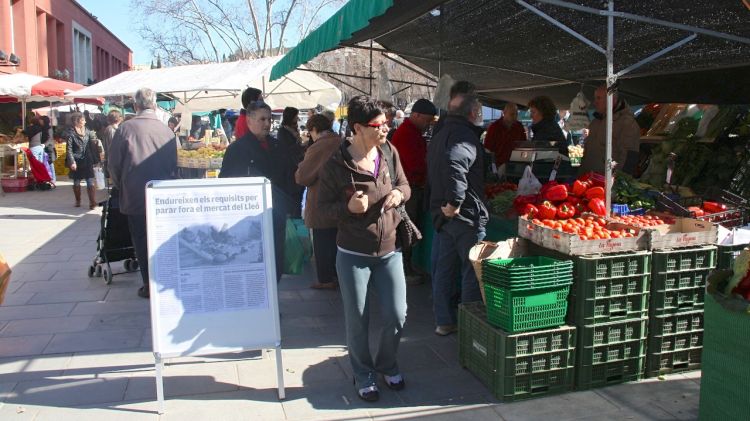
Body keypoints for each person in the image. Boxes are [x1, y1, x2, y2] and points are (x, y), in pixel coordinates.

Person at [317, 96, 411, 402]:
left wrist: (398, 192)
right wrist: (348, 207)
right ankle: (363, 374)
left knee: (397, 314)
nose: (386, 128)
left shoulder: (389, 151)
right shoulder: (336, 163)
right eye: (378, 125)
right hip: (353, 254)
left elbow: (406, 185)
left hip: (390, 250)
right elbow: (322, 210)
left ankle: (387, 363)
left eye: (387, 123)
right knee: (357, 319)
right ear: (357, 127)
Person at [108, 88, 178, 299]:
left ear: (136, 106)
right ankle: (164, 280)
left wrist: (122, 184)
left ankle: (149, 284)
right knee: (161, 238)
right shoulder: (167, 131)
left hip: (136, 194)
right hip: (162, 195)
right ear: (155, 105)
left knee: (141, 239)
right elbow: (174, 165)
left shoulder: (125, 129)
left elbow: (113, 165)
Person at [427, 93, 488, 336]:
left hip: (445, 216)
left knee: (445, 269)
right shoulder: (464, 136)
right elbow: (456, 163)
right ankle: (469, 324)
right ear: (472, 113)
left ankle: (445, 321)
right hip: (464, 216)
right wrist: (455, 201)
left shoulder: (441, 133)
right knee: (471, 271)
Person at [220, 101, 287, 283]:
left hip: (276, 213)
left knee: (276, 260)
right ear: (249, 122)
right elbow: (225, 183)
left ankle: (272, 305)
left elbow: (288, 176)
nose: (267, 124)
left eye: (269, 119)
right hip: (248, 218)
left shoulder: (278, 146)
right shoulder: (236, 149)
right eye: (262, 119)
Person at [390, 98, 437, 284]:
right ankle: (404, 270)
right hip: (408, 189)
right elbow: (415, 164)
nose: (427, 125)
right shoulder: (406, 134)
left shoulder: (414, 132)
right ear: (415, 115)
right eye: (426, 120)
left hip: (412, 187)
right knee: (406, 230)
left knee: (407, 229)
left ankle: (406, 267)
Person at [295, 114, 341, 290]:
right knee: (336, 240)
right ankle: (338, 275)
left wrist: (299, 168)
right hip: (340, 199)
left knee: (322, 240)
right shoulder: (341, 141)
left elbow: (303, 176)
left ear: (314, 129)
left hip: (321, 199)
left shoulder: (319, 147)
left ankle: (325, 278)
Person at [579, 85, 641, 175]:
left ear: (611, 100)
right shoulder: (595, 122)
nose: (595, 102)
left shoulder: (627, 124)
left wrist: (618, 182)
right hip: (587, 181)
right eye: (595, 98)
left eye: (598, 98)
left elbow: (629, 158)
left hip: (607, 184)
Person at [65, 112, 101, 209]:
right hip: (76, 161)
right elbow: (69, 149)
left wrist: (96, 160)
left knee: (90, 181)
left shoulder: (88, 131)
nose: (85, 122)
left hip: (87, 160)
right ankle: (78, 200)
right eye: (83, 120)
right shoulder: (70, 134)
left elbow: (92, 147)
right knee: (76, 182)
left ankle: (92, 203)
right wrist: (72, 162)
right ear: (76, 122)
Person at [276, 107, 305, 218]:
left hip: (297, 167)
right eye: (296, 116)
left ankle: (296, 222)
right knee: (292, 199)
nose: (297, 118)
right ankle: (292, 225)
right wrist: (301, 147)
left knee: (298, 199)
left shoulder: (293, 128)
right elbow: (287, 150)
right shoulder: (283, 131)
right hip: (289, 169)